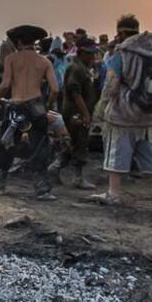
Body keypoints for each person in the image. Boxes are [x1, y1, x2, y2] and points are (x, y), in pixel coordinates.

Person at [90, 16, 152, 207]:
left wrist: (101, 107)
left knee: (116, 154)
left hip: (124, 113)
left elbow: (111, 84)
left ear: (120, 33)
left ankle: (114, 193)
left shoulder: (122, 53)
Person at [0, 24, 58, 199]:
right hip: (37, 107)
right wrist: (47, 105)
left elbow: (5, 85)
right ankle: (42, 190)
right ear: (34, 42)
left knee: (6, 145)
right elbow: (55, 89)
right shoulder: (45, 61)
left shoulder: (11, 59)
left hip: (16, 107)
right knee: (39, 147)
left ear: (18, 42)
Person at [50, 38, 98, 189]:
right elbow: (75, 92)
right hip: (75, 114)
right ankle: (76, 177)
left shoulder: (81, 68)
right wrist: (85, 113)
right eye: (90, 54)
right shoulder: (76, 69)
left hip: (76, 113)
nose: (93, 57)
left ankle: (55, 169)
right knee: (79, 143)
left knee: (73, 143)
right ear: (82, 52)